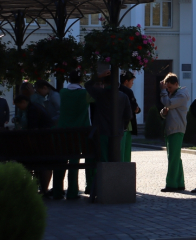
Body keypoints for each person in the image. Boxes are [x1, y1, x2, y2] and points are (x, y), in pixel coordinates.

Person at [53, 70, 93, 200]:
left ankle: (57, 191)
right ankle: (72, 191)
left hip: (62, 132)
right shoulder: (85, 93)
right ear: (81, 80)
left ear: (69, 80)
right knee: (74, 161)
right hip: (79, 132)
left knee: (60, 161)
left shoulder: (63, 92)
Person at [85, 70, 133, 163]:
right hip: (118, 132)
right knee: (116, 158)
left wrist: (99, 76)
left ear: (104, 82)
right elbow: (128, 115)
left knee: (104, 158)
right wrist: (123, 127)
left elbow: (87, 85)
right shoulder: (124, 96)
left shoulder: (100, 93)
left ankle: (104, 172)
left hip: (102, 131)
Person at [14, 94, 54, 195]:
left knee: (33, 161)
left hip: (40, 147)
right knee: (43, 164)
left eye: (19, 106)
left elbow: (32, 129)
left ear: (23, 102)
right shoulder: (37, 107)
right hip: (46, 144)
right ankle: (43, 188)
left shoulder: (32, 110)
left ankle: (35, 187)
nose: (19, 109)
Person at [159, 73, 190, 192]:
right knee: (176, 157)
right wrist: (163, 113)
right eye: (167, 88)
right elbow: (168, 108)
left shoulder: (181, 94)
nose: (168, 90)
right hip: (172, 128)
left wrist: (163, 91)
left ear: (176, 84)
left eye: (170, 87)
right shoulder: (174, 93)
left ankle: (171, 184)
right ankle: (179, 183)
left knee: (173, 158)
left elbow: (169, 104)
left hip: (176, 128)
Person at [119, 71, 141, 163]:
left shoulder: (117, 90)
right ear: (126, 81)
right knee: (125, 151)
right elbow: (135, 107)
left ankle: (123, 167)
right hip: (127, 124)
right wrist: (136, 109)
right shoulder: (128, 91)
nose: (132, 83)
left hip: (122, 124)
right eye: (131, 81)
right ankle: (125, 168)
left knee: (122, 151)